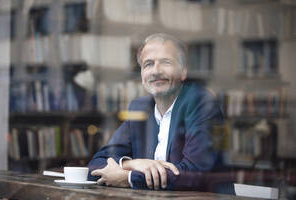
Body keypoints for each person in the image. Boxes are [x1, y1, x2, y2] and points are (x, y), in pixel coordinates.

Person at [88, 33, 224, 191]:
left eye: (166, 62)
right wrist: (133, 163)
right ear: (142, 73)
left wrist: (129, 177)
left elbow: (194, 172)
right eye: (148, 64)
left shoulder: (200, 102)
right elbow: (97, 164)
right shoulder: (139, 108)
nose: (156, 71)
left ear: (183, 72)